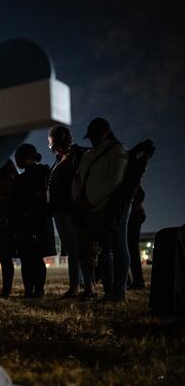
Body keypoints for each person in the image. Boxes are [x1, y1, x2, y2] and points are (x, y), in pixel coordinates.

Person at [72, 117, 129, 302]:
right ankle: (108, 292)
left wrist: (90, 199)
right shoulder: (88, 154)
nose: (92, 139)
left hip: (109, 208)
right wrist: (79, 198)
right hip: (91, 209)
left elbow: (114, 180)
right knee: (104, 251)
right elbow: (78, 178)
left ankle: (118, 292)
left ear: (105, 132)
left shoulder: (117, 150)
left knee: (118, 248)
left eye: (94, 135)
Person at [47, 126, 88, 298]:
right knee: (72, 250)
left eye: (53, 142)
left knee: (80, 248)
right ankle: (74, 286)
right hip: (59, 210)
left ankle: (88, 286)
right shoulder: (59, 160)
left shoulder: (77, 155)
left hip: (71, 208)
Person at [11, 144, 56, 298]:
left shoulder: (38, 174)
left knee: (31, 259)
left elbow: (39, 198)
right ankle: (34, 290)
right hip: (34, 222)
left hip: (34, 222)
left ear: (27, 157)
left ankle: (33, 290)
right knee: (32, 259)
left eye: (18, 158)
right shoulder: (40, 173)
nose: (16, 161)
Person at [0, 160, 18, 298]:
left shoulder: (5, 184)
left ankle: (4, 290)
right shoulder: (0, 184)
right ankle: (5, 290)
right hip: (0, 225)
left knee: (3, 258)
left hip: (1, 225)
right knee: (4, 259)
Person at [127, 185, 146, 289]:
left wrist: (135, 206)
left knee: (132, 250)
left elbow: (140, 193)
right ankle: (135, 280)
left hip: (134, 215)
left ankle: (138, 281)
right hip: (135, 214)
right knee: (132, 250)